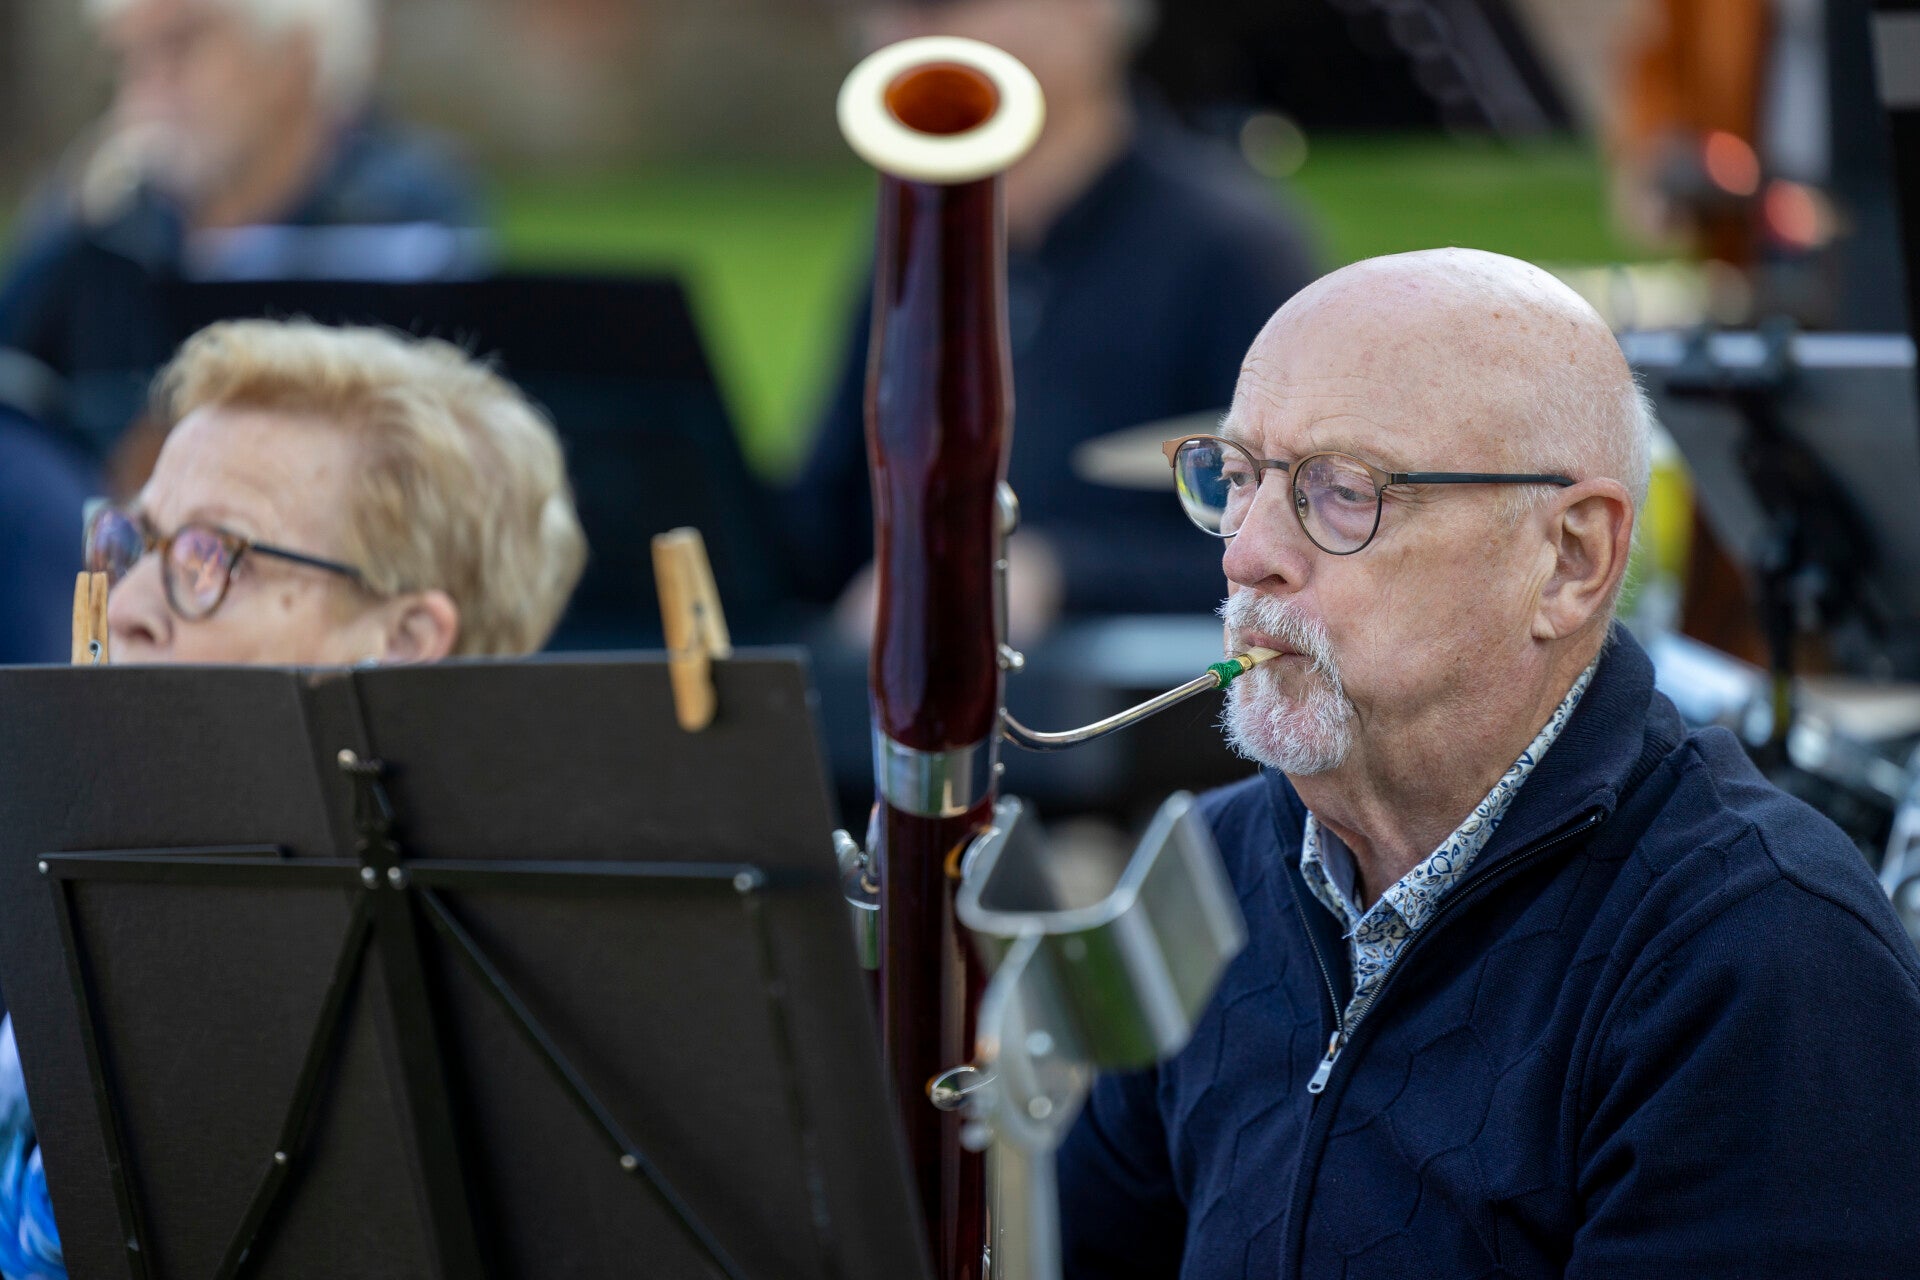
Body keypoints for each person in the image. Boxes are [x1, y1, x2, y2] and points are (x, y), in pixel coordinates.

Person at [1057, 248, 1920, 1277]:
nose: (1246, 553)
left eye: (1341, 489)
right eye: (1238, 479)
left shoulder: (1757, 945)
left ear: (1570, 560)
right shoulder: (1209, 869)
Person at [0, 319, 586, 1278]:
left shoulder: (496, 1049)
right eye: (134, 540)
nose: (133, 603)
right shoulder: (76, 883)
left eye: (209, 556)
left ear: (401, 640)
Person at [787, 0, 1319, 639]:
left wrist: (1057, 573)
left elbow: (1310, 539)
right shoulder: (907, 240)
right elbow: (827, 515)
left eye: (942, 6)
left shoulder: (1231, 248)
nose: (904, 34)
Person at [0, 0, 484, 464]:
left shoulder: (399, 216)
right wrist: (69, 215)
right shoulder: (109, 224)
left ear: (295, 58)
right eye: (132, 55)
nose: (148, 85)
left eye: (180, 42)